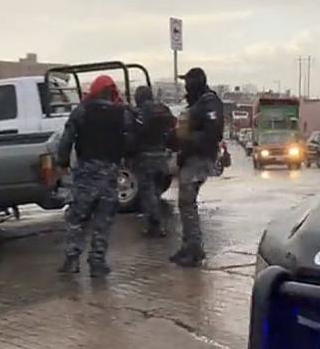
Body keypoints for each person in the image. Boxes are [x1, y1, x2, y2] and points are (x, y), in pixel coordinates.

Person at [56, 74, 132, 278]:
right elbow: (130, 139)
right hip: (110, 173)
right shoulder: (121, 113)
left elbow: (67, 140)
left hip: (87, 173)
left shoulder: (82, 111)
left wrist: (61, 162)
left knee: (77, 217)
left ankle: (72, 259)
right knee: (103, 219)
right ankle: (97, 262)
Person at [171, 67, 224, 267]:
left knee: (187, 202)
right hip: (192, 157)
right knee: (185, 203)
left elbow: (213, 134)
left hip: (200, 158)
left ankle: (194, 250)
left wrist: (187, 139)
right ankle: (188, 246)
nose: (185, 86)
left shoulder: (209, 102)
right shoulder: (198, 103)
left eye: (187, 82)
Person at [132, 85, 176, 238]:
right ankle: (154, 225)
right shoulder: (163, 109)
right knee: (156, 192)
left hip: (144, 157)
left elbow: (132, 134)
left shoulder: (138, 113)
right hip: (162, 156)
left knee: (147, 194)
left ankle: (156, 225)